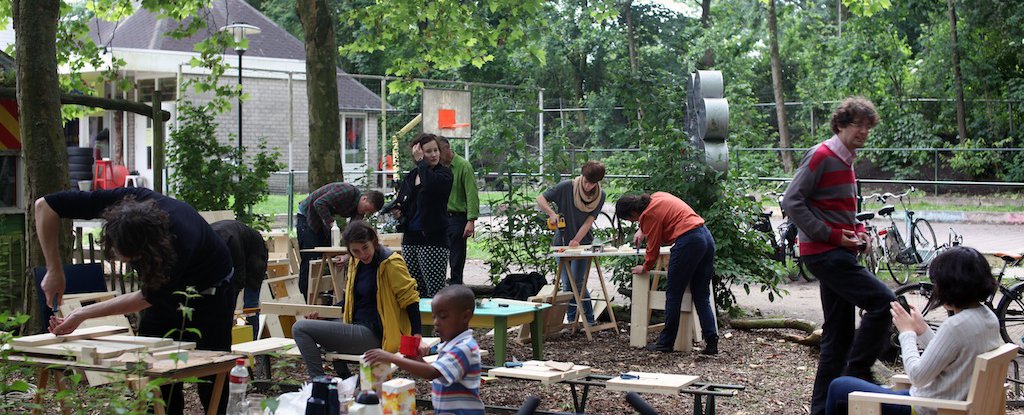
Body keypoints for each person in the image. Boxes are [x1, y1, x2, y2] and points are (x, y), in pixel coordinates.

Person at [37, 188, 234, 415]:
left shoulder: (180, 242)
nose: (120, 258)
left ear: (149, 247)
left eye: (128, 256)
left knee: (211, 371)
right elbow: (45, 206)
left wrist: (81, 314)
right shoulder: (122, 201)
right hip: (167, 285)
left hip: (212, 292)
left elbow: (145, 298)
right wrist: (54, 269)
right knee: (153, 369)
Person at [781, 96, 896, 415]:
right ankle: (855, 374)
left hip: (836, 251)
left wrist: (858, 235)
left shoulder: (847, 159)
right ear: (841, 124)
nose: (863, 131)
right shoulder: (822, 155)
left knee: (837, 335)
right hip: (825, 252)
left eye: (867, 126)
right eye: (856, 124)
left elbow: (838, 213)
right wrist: (830, 235)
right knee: (884, 304)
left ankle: (824, 408)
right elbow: (792, 201)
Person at [824, 246, 1002, 415]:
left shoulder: (955, 325)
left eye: (937, 284)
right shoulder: (988, 317)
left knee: (839, 386)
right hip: (953, 403)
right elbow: (950, 354)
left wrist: (906, 333)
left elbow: (917, 377)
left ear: (951, 287)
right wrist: (921, 329)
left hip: (927, 408)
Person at [291, 220, 421, 379]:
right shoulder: (355, 261)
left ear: (373, 240)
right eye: (356, 251)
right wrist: (325, 314)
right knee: (310, 328)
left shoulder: (390, 263)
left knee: (300, 328)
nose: (363, 254)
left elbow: (411, 300)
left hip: (377, 333)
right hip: (355, 324)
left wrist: (417, 334)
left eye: (365, 248)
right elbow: (349, 301)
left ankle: (318, 383)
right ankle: (345, 379)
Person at [615, 192, 718, 354]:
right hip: (705, 236)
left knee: (673, 294)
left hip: (689, 242)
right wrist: (642, 229)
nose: (634, 222)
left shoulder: (649, 215)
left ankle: (666, 343)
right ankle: (712, 343)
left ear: (633, 213)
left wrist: (645, 267)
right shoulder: (656, 197)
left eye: (631, 220)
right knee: (701, 295)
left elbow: (653, 247)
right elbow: (663, 217)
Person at [364, 284, 484, 415]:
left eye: (443, 316)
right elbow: (440, 373)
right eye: (434, 317)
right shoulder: (452, 346)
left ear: (465, 317)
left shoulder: (464, 348)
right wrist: (420, 361)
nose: (436, 322)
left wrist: (391, 358)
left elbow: (432, 373)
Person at [536, 161, 606, 326]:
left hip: (584, 242)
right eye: (586, 182)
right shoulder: (567, 187)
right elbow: (541, 198)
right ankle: (571, 320)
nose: (588, 187)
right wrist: (552, 213)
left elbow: (589, 221)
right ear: (582, 176)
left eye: (592, 184)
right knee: (568, 284)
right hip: (561, 241)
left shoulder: (600, 196)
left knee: (578, 282)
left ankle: (589, 321)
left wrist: (577, 239)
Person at [390, 133, 454, 298]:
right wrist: (399, 212)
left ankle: (437, 323)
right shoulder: (412, 176)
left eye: (436, 150)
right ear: (418, 153)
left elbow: (431, 184)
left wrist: (421, 163)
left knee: (434, 291)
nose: (434, 155)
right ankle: (419, 324)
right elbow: (405, 202)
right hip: (411, 238)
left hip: (433, 239)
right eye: (428, 151)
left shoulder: (444, 174)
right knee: (415, 290)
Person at [296, 182, 384, 297]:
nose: (365, 213)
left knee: (329, 256)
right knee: (311, 257)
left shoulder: (358, 212)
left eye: (369, 213)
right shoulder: (347, 191)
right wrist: (332, 224)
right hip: (307, 215)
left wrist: (346, 254)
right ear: (364, 199)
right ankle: (305, 296)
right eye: (366, 209)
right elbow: (319, 203)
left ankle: (326, 294)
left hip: (320, 222)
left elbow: (354, 234)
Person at [210, 219, 268, 340]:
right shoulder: (206, 241)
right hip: (239, 240)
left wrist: (230, 305)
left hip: (255, 252)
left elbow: (238, 277)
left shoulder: (231, 243)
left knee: (250, 303)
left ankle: (252, 342)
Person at [438, 137, 480, 286]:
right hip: (441, 216)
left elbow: (471, 194)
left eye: (438, 151)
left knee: (456, 255)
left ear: (447, 148)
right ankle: (440, 283)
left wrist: (471, 220)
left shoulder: (463, 166)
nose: (437, 155)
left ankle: (456, 284)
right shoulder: (438, 167)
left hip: (457, 217)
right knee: (439, 252)